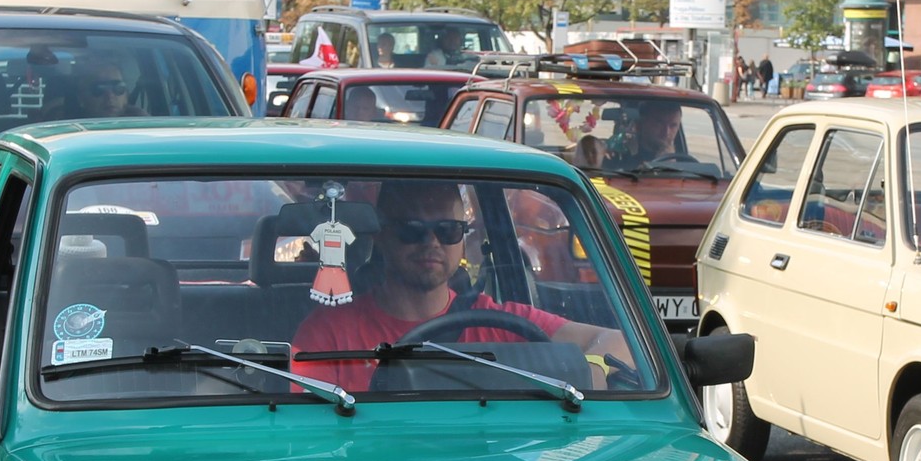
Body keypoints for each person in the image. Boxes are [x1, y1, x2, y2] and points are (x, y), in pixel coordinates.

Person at [289, 180, 631, 393]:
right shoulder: (328, 333)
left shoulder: (499, 322)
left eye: (448, 230)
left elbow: (619, 342)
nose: (432, 242)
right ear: (382, 237)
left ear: (463, 241)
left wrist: (595, 369)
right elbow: (308, 430)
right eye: (412, 229)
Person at [606, 101, 685, 169]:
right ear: (640, 124)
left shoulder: (683, 160)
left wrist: (673, 166)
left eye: (673, 126)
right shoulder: (620, 154)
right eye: (659, 124)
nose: (666, 132)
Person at [71, 54, 142, 118]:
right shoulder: (66, 129)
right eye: (99, 89)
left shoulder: (144, 125)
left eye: (118, 87)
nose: (110, 96)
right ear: (81, 98)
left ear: (126, 95)